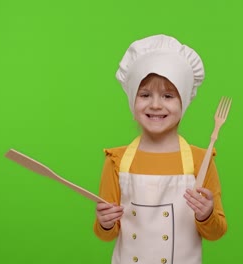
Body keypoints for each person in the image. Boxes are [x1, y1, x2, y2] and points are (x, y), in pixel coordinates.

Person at [94, 34, 227, 264]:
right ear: (132, 101)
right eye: (145, 95)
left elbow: (216, 232)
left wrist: (206, 214)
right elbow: (107, 233)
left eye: (168, 96)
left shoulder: (201, 161)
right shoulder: (117, 160)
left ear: (183, 101)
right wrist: (105, 222)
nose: (155, 104)